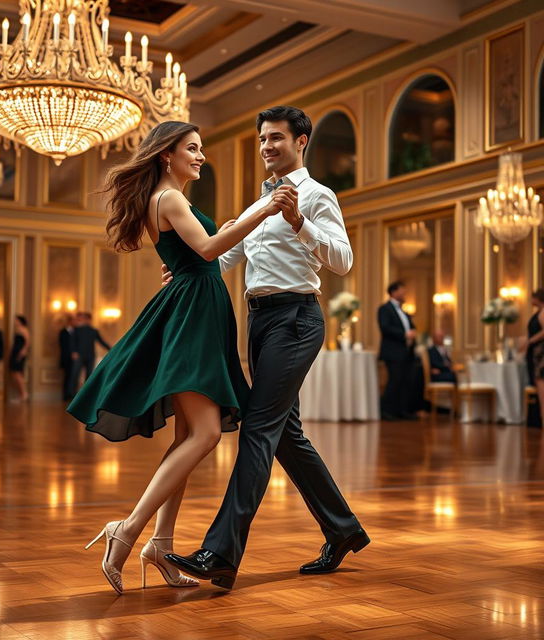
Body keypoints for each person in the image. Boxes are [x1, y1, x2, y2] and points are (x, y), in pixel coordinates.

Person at [67, 120, 285, 596]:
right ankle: (126, 531)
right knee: (206, 433)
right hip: (193, 315)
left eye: (202, 148)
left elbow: (202, 250)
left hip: (198, 308)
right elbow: (207, 248)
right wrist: (265, 209)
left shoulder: (173, 199)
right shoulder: (168, 198)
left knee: (189, 435)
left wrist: (228, 229)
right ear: (167, 154)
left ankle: (160, 546)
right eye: (193, 148)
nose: (201, 156)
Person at [164, 106, 369, 590]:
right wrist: (190, 270)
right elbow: (228, 251)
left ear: (301, 141)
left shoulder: (318, 196)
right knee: (285, 433)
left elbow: (343, 261)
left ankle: (220, 553)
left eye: (276, 138)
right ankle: (342, 530)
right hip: (260, 321)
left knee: (258, 429)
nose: (266, 147)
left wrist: (300, 221)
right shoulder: (262, 199)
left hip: (297, 320)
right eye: (261, 140)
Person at [377, 281, 417, 420]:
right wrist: (405, 334)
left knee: (405, 382)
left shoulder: (404, 311)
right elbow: (385, 327)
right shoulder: (385, 309)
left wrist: (412, 333)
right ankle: (387, 412)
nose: (404, 293)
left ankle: (402, 411)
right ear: (393, 292)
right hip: (393, 352)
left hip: (407, 352)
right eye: (402, 290)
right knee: (394, 381)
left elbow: (411, 327)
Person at [70, 311, 111, 392]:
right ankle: (71, 395)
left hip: (90, 356)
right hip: (79, 356)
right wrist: (73, 352)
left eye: (87, 319)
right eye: (83, 318)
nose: (85, 320)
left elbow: (101, 341)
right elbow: (72, 342)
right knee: (75, 375)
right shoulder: (76, 330)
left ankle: (86, 394)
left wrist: (111, 349)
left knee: (89, 376)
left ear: (89, 320)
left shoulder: (94, 331)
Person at [522, 288, 544, 427]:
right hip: (538, 353)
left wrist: (530, 341)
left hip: (541, 353)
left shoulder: (543, 313)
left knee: (541, 386)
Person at [9, 315, 30, 402]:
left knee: (18, 373)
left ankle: (24, 394)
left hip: (19, 353)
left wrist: (23, 351)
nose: (15, 321)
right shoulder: (17, 330)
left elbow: (28, 342)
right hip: (15, 353)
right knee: (14, 373)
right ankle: (22, 394)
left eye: (16, 320)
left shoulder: (24, 329)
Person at [58, 314, 76, 401]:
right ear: (69, 321)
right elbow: (63, 346)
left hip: (75, 359)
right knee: (67, 376)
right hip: (66, 358)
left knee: (73, 376)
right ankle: (65, 395)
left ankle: (72, 394)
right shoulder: (63, 332)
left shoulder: (76, 332)